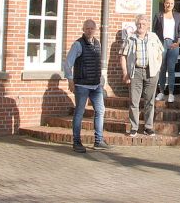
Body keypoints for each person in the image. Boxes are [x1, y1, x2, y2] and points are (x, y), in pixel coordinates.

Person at [63, 19, 110, 153]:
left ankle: (99, 140)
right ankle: (77, 142)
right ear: (83, 29)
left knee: (100, 111)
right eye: (87, 28)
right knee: (79, 112)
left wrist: (101, 81)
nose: (90, 31)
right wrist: (70, 80)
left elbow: (97, 64)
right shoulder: (78, 44)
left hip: (96, 85)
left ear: (95, 30)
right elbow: (68, 63)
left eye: (92, 28)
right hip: (82, 84)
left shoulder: (97, 44)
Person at [121, 15, 164, 137]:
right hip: (136, 72)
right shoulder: (130, 38)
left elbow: (160, 53)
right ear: (136, 25)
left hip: (151, 72)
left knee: (150, 101)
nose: (141, 26)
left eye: (144, 24)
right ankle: (134, 127)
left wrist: (158, 68)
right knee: (134, 101)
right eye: (139, 24)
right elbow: (123, 56)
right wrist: (125, 72)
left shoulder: (153, 37)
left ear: (147, 25)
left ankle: (148, 127)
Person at [152, 0, 180, 103]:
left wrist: (178, 42)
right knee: (161, 68)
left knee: (171, 69)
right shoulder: (158, 15)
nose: (169, 5)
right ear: (164, 4)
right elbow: (154, 31)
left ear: (174, 5)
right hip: (161, 44)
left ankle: (171, 93)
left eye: (171, 3)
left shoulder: (177, 16)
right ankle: (161, 92)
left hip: (173, 44)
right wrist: (156, 44)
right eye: (167, 3)